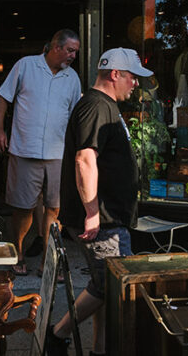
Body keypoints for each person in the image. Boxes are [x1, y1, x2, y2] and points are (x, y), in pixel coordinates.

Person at [46, 48, 151, 356]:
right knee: (110, 284)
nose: (135, 84)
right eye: (132, 77)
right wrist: (92, 211)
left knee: (104, 286)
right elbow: (85, 159)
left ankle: (99, 349)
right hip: (102, 219)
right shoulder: (95, 106)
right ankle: (58, 333)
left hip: (110, 216)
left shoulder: (105, 106)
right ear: (114, 74)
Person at [0, 29, 82, 276]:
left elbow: (75, 117)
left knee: (55, 209)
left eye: (76, 51)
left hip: (58, 154)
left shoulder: (72, 78)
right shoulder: (26, 66)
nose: (73, 55)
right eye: (70, 50)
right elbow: (2, 98)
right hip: (25, 150)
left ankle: (48, 261)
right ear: (55, 46)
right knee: (22, 208)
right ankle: (18, 253)